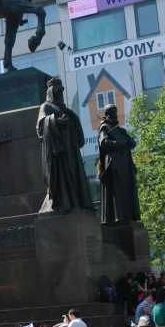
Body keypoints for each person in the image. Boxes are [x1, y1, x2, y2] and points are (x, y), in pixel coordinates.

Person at [36, 78, 95, 214]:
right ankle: (64, 203)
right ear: (51, 91)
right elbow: (41, 126)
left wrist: (71, 118)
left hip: (71, 150)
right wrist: (56, 121)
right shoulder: (46, 107)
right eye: (57, 91)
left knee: (75, 175)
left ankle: (77, 202)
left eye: (61, 91)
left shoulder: (65, 109)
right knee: (62, 176)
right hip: (58, 152)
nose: (60, 94)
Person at [97, 104, 140, 223]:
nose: (115, 114)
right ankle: (119, 216)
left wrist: (126, 137)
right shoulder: (104, 127)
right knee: (117, 190)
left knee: (127, 189)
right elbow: (104, 142)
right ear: (107, 114)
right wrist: (118, 143)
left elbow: (132, 144)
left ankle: (129, 214)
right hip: (114, 163)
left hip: (125, 164)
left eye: (115, 111)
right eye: (111, 112)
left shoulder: (120, 130)